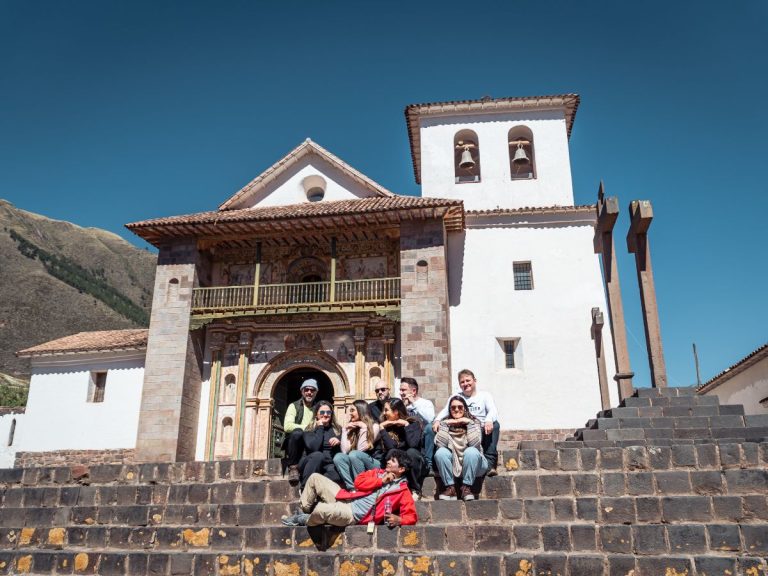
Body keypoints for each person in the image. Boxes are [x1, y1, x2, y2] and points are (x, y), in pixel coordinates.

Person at [281, 449, 417, 528]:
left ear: (401, 469)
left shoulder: (403, 491)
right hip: (346, 497)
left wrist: (399, 520)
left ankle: (302, 519)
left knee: (321, 510)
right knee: (315, 477)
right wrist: (380, 481)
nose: (387, 461)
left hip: (353, 514)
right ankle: (302, 510)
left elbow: (411, 516)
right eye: (389, 459)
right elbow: (358, 483)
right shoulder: (377, 473)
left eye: (392, 461)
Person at [433, 369, 500, 475]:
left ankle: (490, 464)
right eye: (462, 382)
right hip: (463, 428)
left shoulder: (485, 395)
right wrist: (437, 420)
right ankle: (436, 464)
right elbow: (446, 410)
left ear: (474, 380)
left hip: (481, 428)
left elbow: (493, 410)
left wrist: (488, 420)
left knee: (495, 425)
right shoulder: (457, 397)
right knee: (432, 427)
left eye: (468, 380)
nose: (465, 384)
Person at [434, 395, 488, 501]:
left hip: (475, 465)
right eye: (453, 407)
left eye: (460, 407)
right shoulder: (444, 423)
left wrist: (469, 423)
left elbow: (475, 445)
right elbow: (441, 444)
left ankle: (466, 488)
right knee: (440, 452)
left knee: (471, 451)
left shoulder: (474, 422)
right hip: (453, 465)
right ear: (449, 410)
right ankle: (451, 488)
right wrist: (445, 425)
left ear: (465, 408)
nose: (457, 409)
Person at [375, 398, 424, 498]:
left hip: (415, 462)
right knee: (392, 453)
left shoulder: (413, 422)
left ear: (396, 411)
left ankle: (415, 489)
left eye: (386, 410)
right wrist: (382, 429)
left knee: (411, 452)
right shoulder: (385, 426)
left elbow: (413, 444)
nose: (384, 413)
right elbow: (391, 448)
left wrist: (406, 425)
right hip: (396, 463)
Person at [333, 400, 381, 491]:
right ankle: (352, 488)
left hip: (373, 464)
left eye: (352, 410)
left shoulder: (374, 426)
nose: (350, 413)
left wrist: (363, 428)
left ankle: (361, 485)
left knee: (354, 454)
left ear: (361, 410)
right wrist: (344, 431)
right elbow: (344, 451)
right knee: (338, 456)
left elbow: (361, 449)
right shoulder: (353, 428)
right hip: (356, 463)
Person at [297, 400, 341, 489]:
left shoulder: (337, 430)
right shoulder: (309, 429)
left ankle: (317, 484)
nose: (325, 414)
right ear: (316, 414)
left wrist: (339, 440)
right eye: (322, 412)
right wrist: (320, 427)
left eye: (328, 412)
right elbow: (314, 448)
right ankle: (305, 488)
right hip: (311, 462)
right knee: (318, 455)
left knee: (337, 476)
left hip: (328, 465)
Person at [283, 378, 319, 484]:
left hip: (312, 441)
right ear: (302, 391)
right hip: (297, 442)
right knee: (297, 432)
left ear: (316, 392)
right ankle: (293, 467)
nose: (309, 392)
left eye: (312, 390)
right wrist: (308, 428)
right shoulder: (294, 406)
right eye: (306, 389)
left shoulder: (318, 407)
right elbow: (287, 426)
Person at [399, 377, 436, 472]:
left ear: (413, 391)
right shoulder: (401, 405)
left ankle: (429, 463)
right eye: (400, 390)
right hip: (409, 437)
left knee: (429, 428)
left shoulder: (425, 403)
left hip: (423, 437)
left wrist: (414, 404)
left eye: (403, 390)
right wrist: (403, 408)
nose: (401, 393)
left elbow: (429, 419)